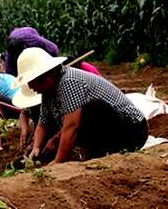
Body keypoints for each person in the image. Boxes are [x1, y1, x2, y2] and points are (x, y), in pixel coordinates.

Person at [12, 47, 148, 164]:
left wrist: (58, 162)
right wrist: (37, 147)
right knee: (53, 138)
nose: (29, 86)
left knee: (93, 109)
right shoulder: (47, 91)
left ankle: (99, 153)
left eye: (31, 81)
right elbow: (43, 123)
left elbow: (72, 126)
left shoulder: (69, 82)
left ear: (45, 77)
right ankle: (92, 153)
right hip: (111, 129)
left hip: (132, 130)